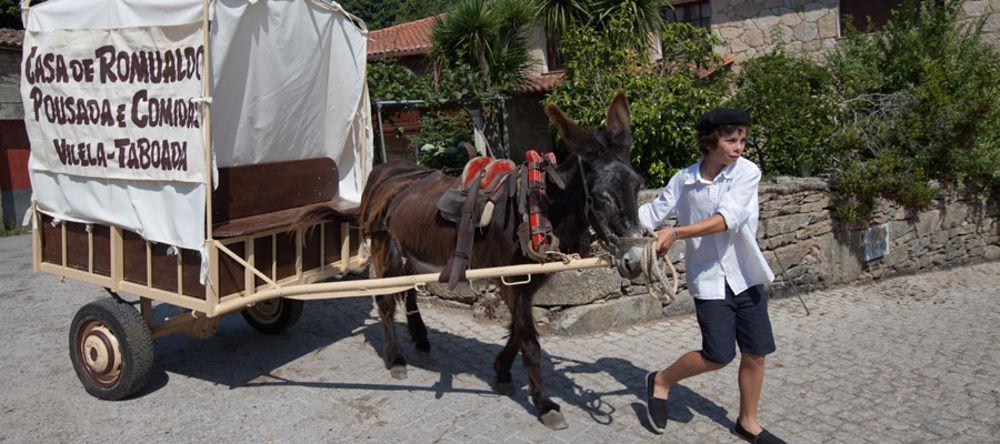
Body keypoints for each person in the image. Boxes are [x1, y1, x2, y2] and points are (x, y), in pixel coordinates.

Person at [638, 108, 784, 443]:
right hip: (709, 279)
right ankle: (661, 380)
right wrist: (617, 228)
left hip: (745, 275)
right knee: (718, 354)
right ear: (710, 142)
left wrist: (675, 234)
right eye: (731, 140)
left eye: (743, 140)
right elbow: (651, 214)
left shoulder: (747, 173)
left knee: (755, 351)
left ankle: (748, 422)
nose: (739, 147)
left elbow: (726, 219)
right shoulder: (684, 180)